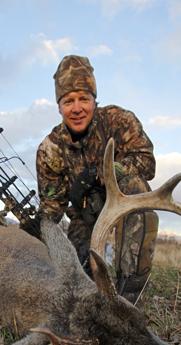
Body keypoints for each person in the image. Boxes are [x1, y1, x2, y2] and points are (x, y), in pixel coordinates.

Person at [34, 55, 158, 303]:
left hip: (121, 202)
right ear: (59, 106)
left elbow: (146, 161)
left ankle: (130, 294)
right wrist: (34, 232)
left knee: (136, 186)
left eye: (84, 99)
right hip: (84, 217)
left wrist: (104, 175)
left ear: (94, 101)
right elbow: (52, 205)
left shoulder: (118, 120)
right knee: (81, 289)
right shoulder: (50, 149)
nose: (77, 108)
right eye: (68, 101)